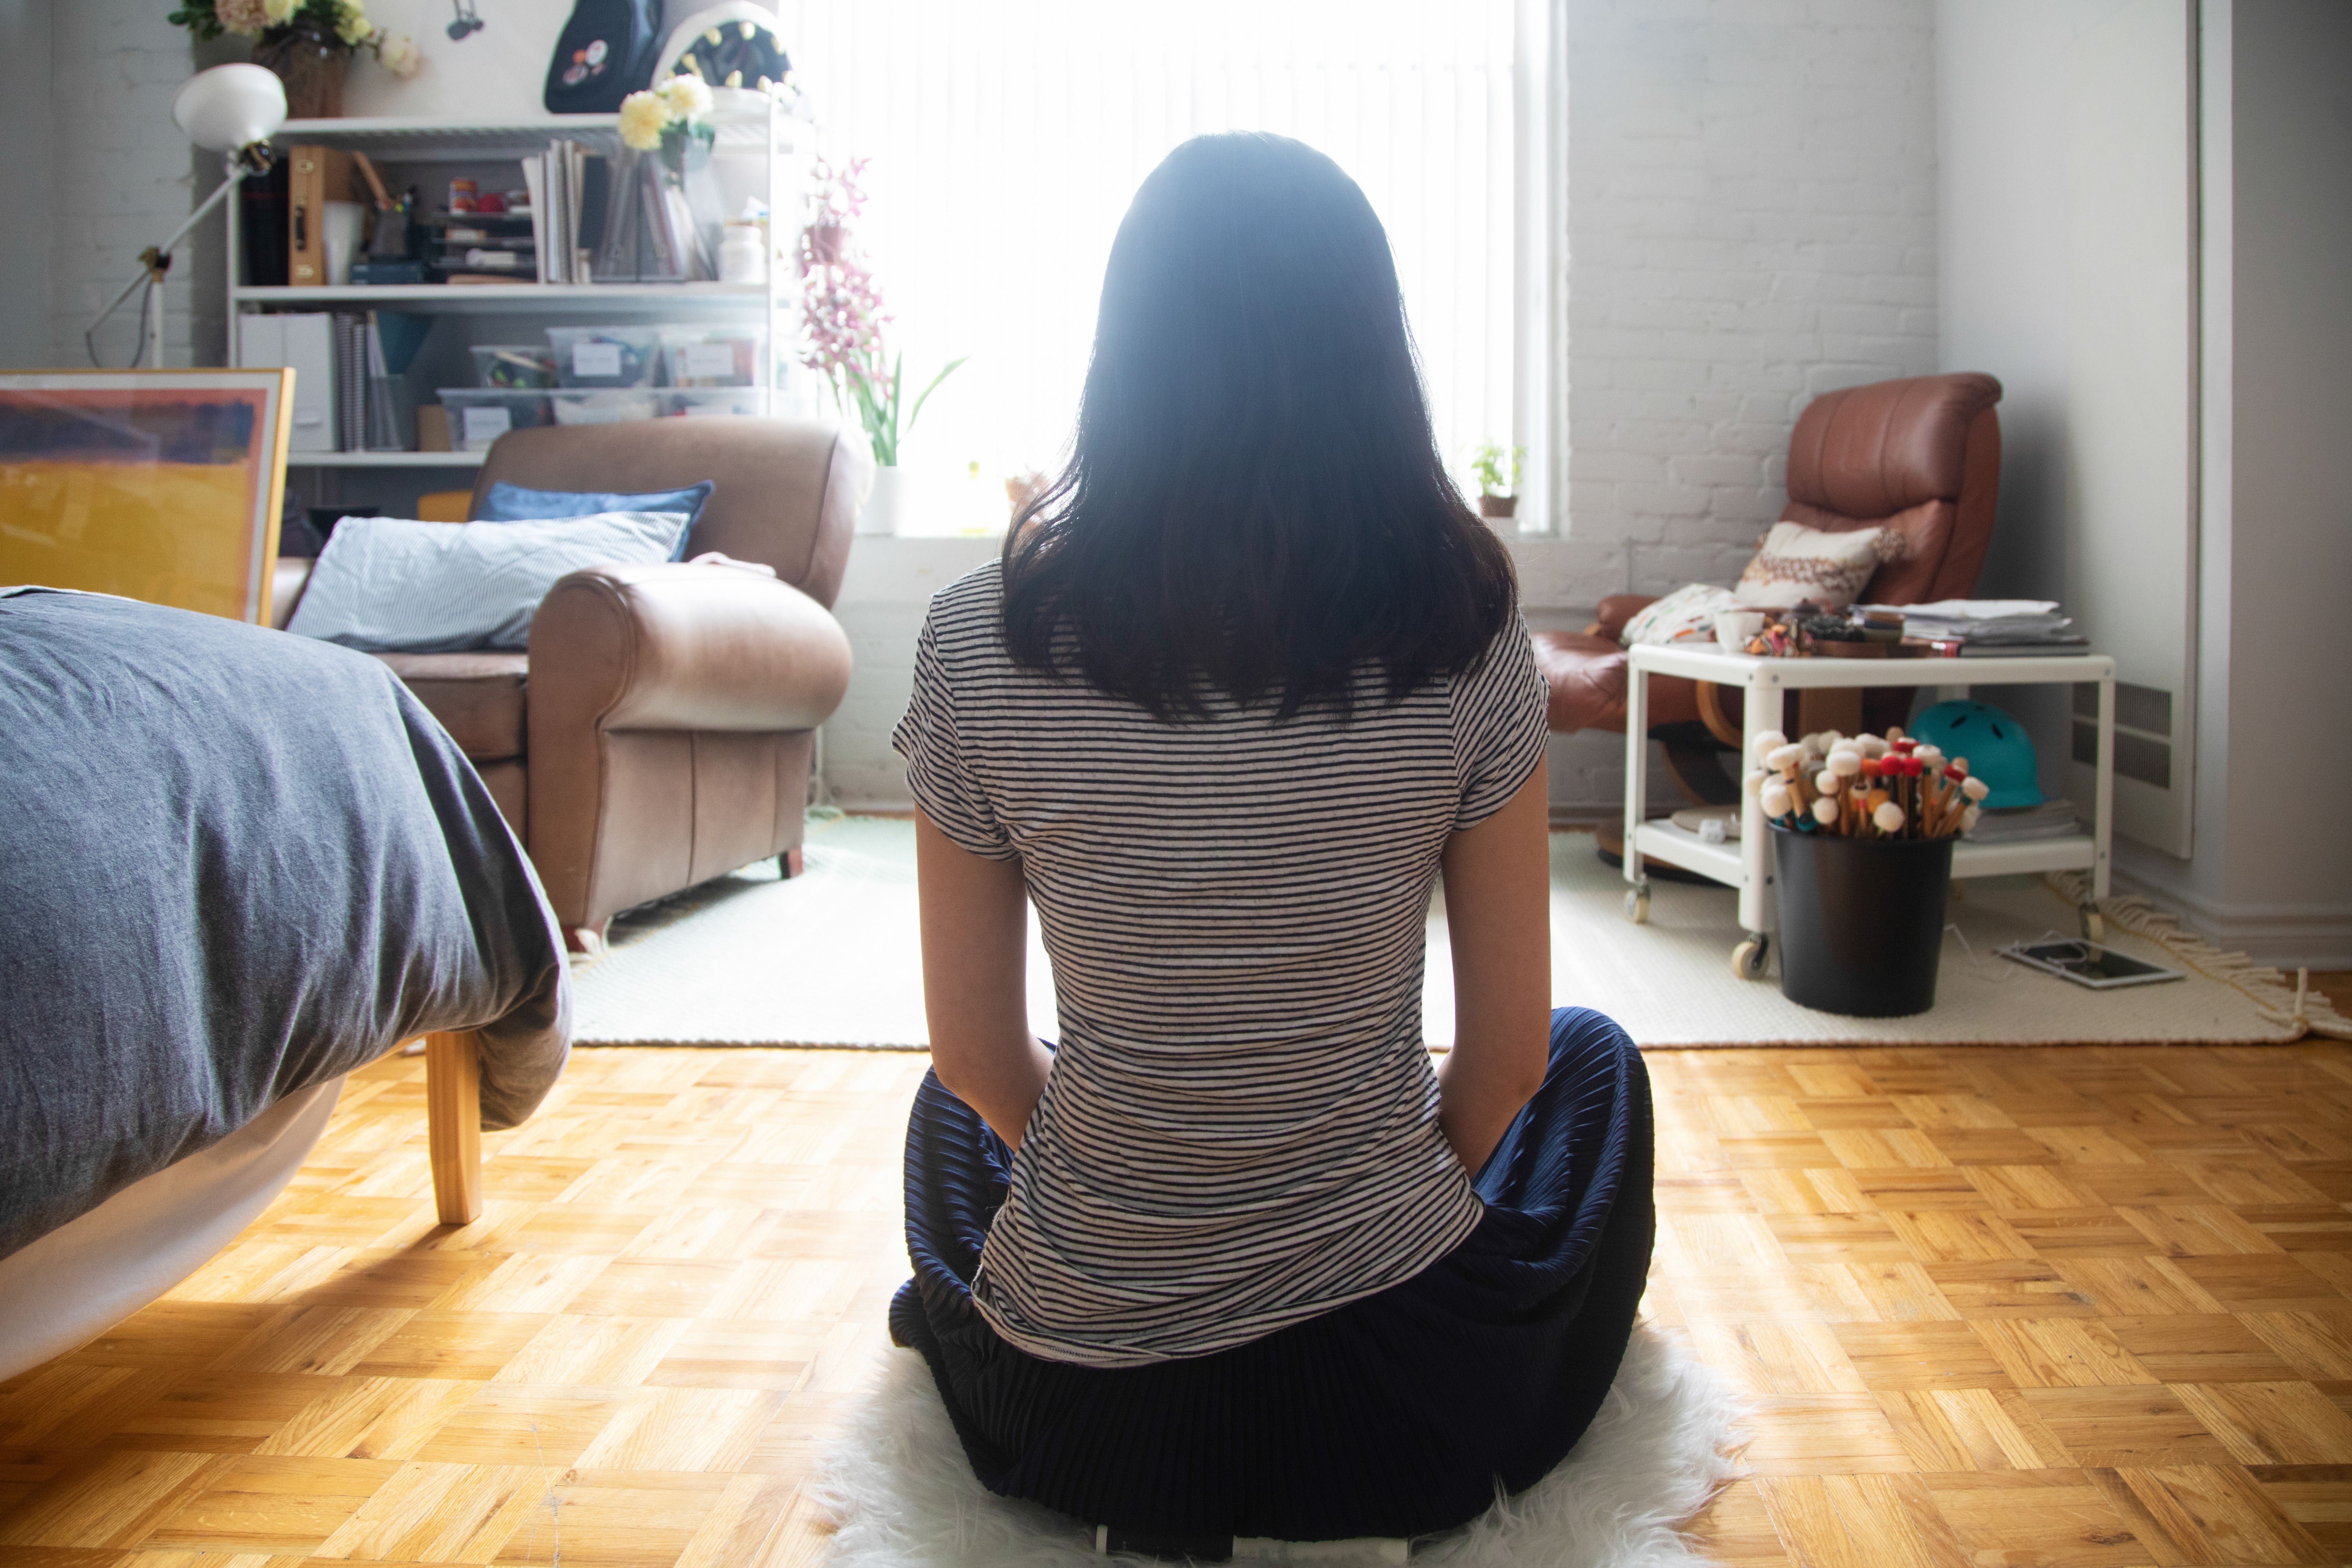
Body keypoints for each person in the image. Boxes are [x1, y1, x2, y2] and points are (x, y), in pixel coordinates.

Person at [889, 131, 1653, 1547]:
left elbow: (978, 1062)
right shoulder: (1474, 639)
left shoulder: (971, 644)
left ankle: (1018, 1322)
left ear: (1125, 355)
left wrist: (1157, 1207)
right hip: (1397, 1403)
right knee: (1598, 1064)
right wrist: (1357, 1202)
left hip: (1088, 1413)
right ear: (1374, 359)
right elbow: (1507, 1068)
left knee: (945, 1125)